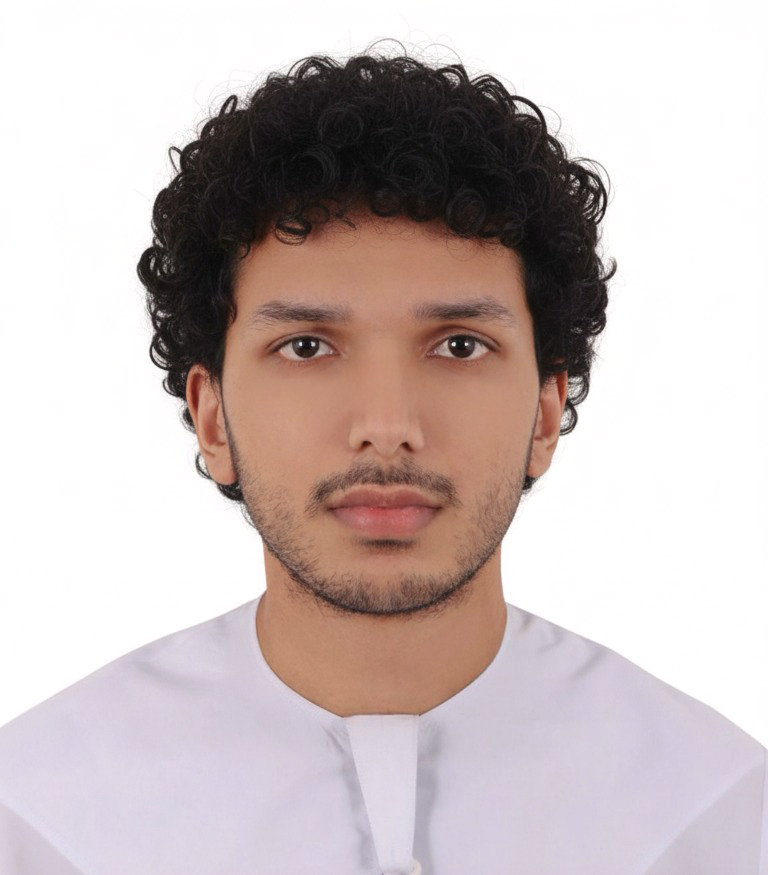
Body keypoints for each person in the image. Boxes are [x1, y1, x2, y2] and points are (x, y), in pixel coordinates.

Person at [0, 43, 765, 875]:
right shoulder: (42, 815)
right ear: (211, 417)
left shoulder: (714, 811)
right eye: (306, 346)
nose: (388, 427)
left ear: (546, 411)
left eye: (459, 345)